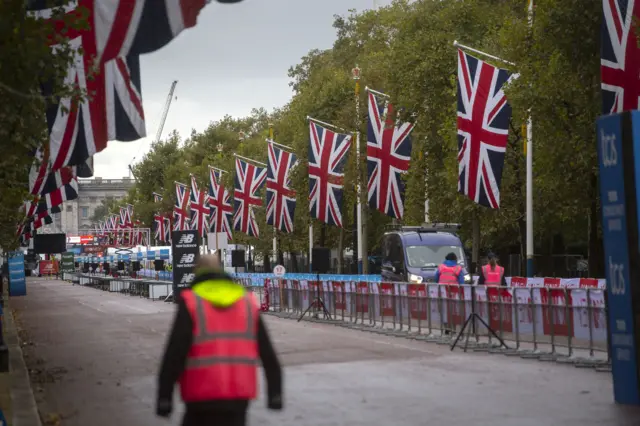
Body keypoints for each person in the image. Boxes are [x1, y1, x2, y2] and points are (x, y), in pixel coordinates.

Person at [156, 254, 282, 426]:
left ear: (196, 272)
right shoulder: (246, 301)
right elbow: (267, 351)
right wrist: (275, 393)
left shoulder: (192, 302)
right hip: (238, 394)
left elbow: (175, 351)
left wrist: (165, 396)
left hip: (200, 394)